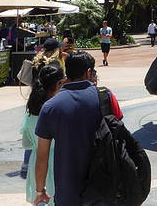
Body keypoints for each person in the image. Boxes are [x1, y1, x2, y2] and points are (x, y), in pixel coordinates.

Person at [33, 52, 123, 206]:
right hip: (105, 188)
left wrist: (40, 191)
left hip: (68, 192)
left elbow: (42, 156)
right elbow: (120, 138)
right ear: (88, 72)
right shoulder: (106, 97)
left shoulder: (50, 107)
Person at [22, 65, 65, 202]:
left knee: (40, 200)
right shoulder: (59, 111)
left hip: (36, 167)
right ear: (59, 84)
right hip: (59, 164)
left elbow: (27, 143)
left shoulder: (30, 112)